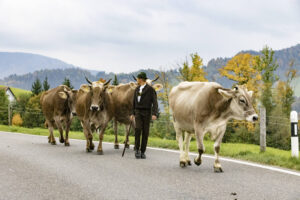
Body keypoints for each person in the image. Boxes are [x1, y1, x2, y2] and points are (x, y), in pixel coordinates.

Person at [130, 72, 158, 159]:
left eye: (138, 79)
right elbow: (134, 102)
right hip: (138, 112)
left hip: (147, 112)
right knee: (138, 129)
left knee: (145, 132)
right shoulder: (137, 89)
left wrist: (154, 113)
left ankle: (143, 151)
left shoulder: (150, 89)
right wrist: (132, 113)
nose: (137, 80)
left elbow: (155, 102)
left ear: (141, 79)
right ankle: (137, 150)